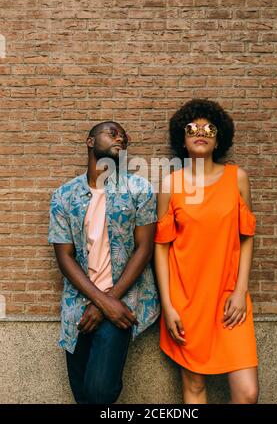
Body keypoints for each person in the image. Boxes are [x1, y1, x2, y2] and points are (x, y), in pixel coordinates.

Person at [154, 99, 259, 404]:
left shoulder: (237, 178)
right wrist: (169, 305)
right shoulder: (171, 184)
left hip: (229, 298)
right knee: (195, 387)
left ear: (218, 138)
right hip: (186, 300)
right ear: (183, 141)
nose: (201, 132)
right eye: (192, 128)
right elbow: (161, 247)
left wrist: (241, 291)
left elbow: (247, 236)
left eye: (209, 128)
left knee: (248, 392)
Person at [48, 121, 160, 404]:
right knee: (82, 392)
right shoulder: (64, 195)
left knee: (99, 392)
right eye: (112, 132)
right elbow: (64, 257)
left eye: (124, 135)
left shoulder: (139, 189)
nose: (120, 137)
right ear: (89, 142)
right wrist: (101, 301)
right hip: (78, 308)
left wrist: (111, 302)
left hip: (121, 304)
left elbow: (144, 249)